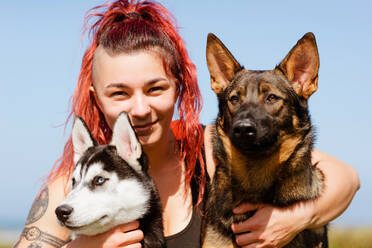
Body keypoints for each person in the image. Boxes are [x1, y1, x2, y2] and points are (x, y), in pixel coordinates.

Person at [15, 0, 359, 248]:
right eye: (119, 93)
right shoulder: (77, 179)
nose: (140, 109)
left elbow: (347, 180)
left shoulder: (213, 147)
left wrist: (293, 221)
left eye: (155, 88)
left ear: (179, 86)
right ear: (95, 96)